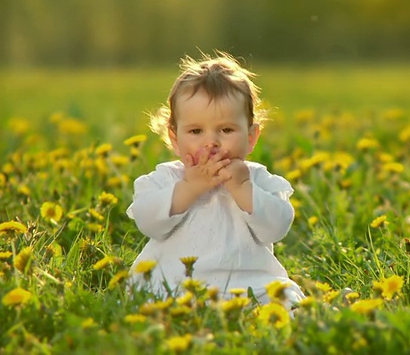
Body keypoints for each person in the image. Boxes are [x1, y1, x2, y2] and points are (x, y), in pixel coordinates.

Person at [126, 51, 304, 308]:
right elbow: (148, 221)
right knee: (149, 299)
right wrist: (189, 188)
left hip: (249, 286)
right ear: (175, 139)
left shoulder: (258, 180)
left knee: (285, 297)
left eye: (226, 130)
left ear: (251, 137)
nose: (211, 142)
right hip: (175, 283)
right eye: (196, 131)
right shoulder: (165, 179)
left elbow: (277, 227)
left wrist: (243, 189)